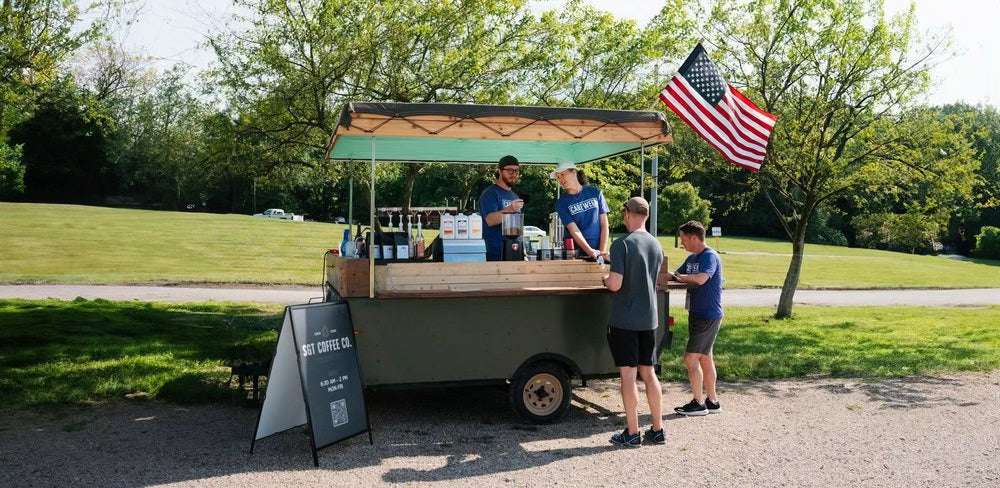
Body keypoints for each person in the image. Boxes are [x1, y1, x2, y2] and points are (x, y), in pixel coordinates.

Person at [602, 196, 666, 446]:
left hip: (625, 320)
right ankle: (658, 429)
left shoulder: (621, 244)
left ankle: (631, 432)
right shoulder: (656, 245)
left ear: (627, 213)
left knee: (628, 375)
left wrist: (605, 280)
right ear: (646, 215)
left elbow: (615, 284)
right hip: (649, 319)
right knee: (649, 374)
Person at [672, 220, 723, 416]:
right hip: (697, 313)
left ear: (694, 237)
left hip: (708, 315)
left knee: (690, 358)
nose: (681, 242)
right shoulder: (693, 258)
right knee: (705, 358)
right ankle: (713, 401)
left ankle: (698, 403)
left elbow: (701, 279)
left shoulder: (709, 256)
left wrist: (679, 278)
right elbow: (677, 274)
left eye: (683, 238)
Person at [551, 161, 609, 260]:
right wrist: (591, 252)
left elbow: (604, 225)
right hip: (575, 255)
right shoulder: (561, 202)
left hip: (598, 253)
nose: (560, 179)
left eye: (562, 174)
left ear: (574, 172)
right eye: (558, 177)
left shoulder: (595, 192)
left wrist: (600, 252)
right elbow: (574, 230)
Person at [478, 155, 525, 261]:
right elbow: (490, 220)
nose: (514, 174)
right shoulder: (490, 193)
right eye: (510, 171)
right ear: (500, 171)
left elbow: (519, 228)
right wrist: (510, 208)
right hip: (494, 255)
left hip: (514, 253)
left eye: (516, 171)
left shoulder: (515, 196)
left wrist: (524, 252)